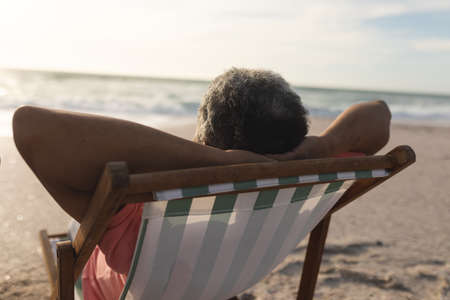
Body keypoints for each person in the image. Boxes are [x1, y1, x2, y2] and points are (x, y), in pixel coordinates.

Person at [13, 69, 391, 300]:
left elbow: (30, 126)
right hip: (226, 276)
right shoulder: (298, 186)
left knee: (78, 229)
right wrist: (322, 146)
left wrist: (216, 161)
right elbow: (379, 114)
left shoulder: (132, 211)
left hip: (129, 290)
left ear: (201, 139)